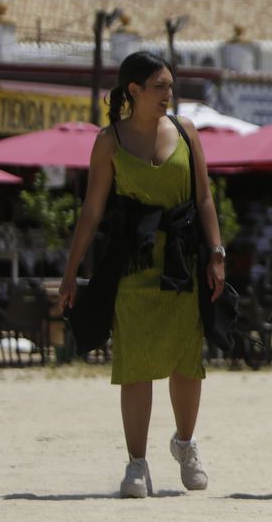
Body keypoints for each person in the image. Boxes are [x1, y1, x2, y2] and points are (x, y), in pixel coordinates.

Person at [59, 51, 227, 498]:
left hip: (183, 263)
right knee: (135, 364)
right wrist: (71, 272)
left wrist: (216, 252)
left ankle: (186, 444)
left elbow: (205, 199)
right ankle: (137, 464)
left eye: (171, 85)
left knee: (187, 362)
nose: (169, 94)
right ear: (133, 91)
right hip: (132, 266)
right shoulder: (109, 141)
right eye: (160, 86)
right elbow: (92, 212)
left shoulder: (188, 133)